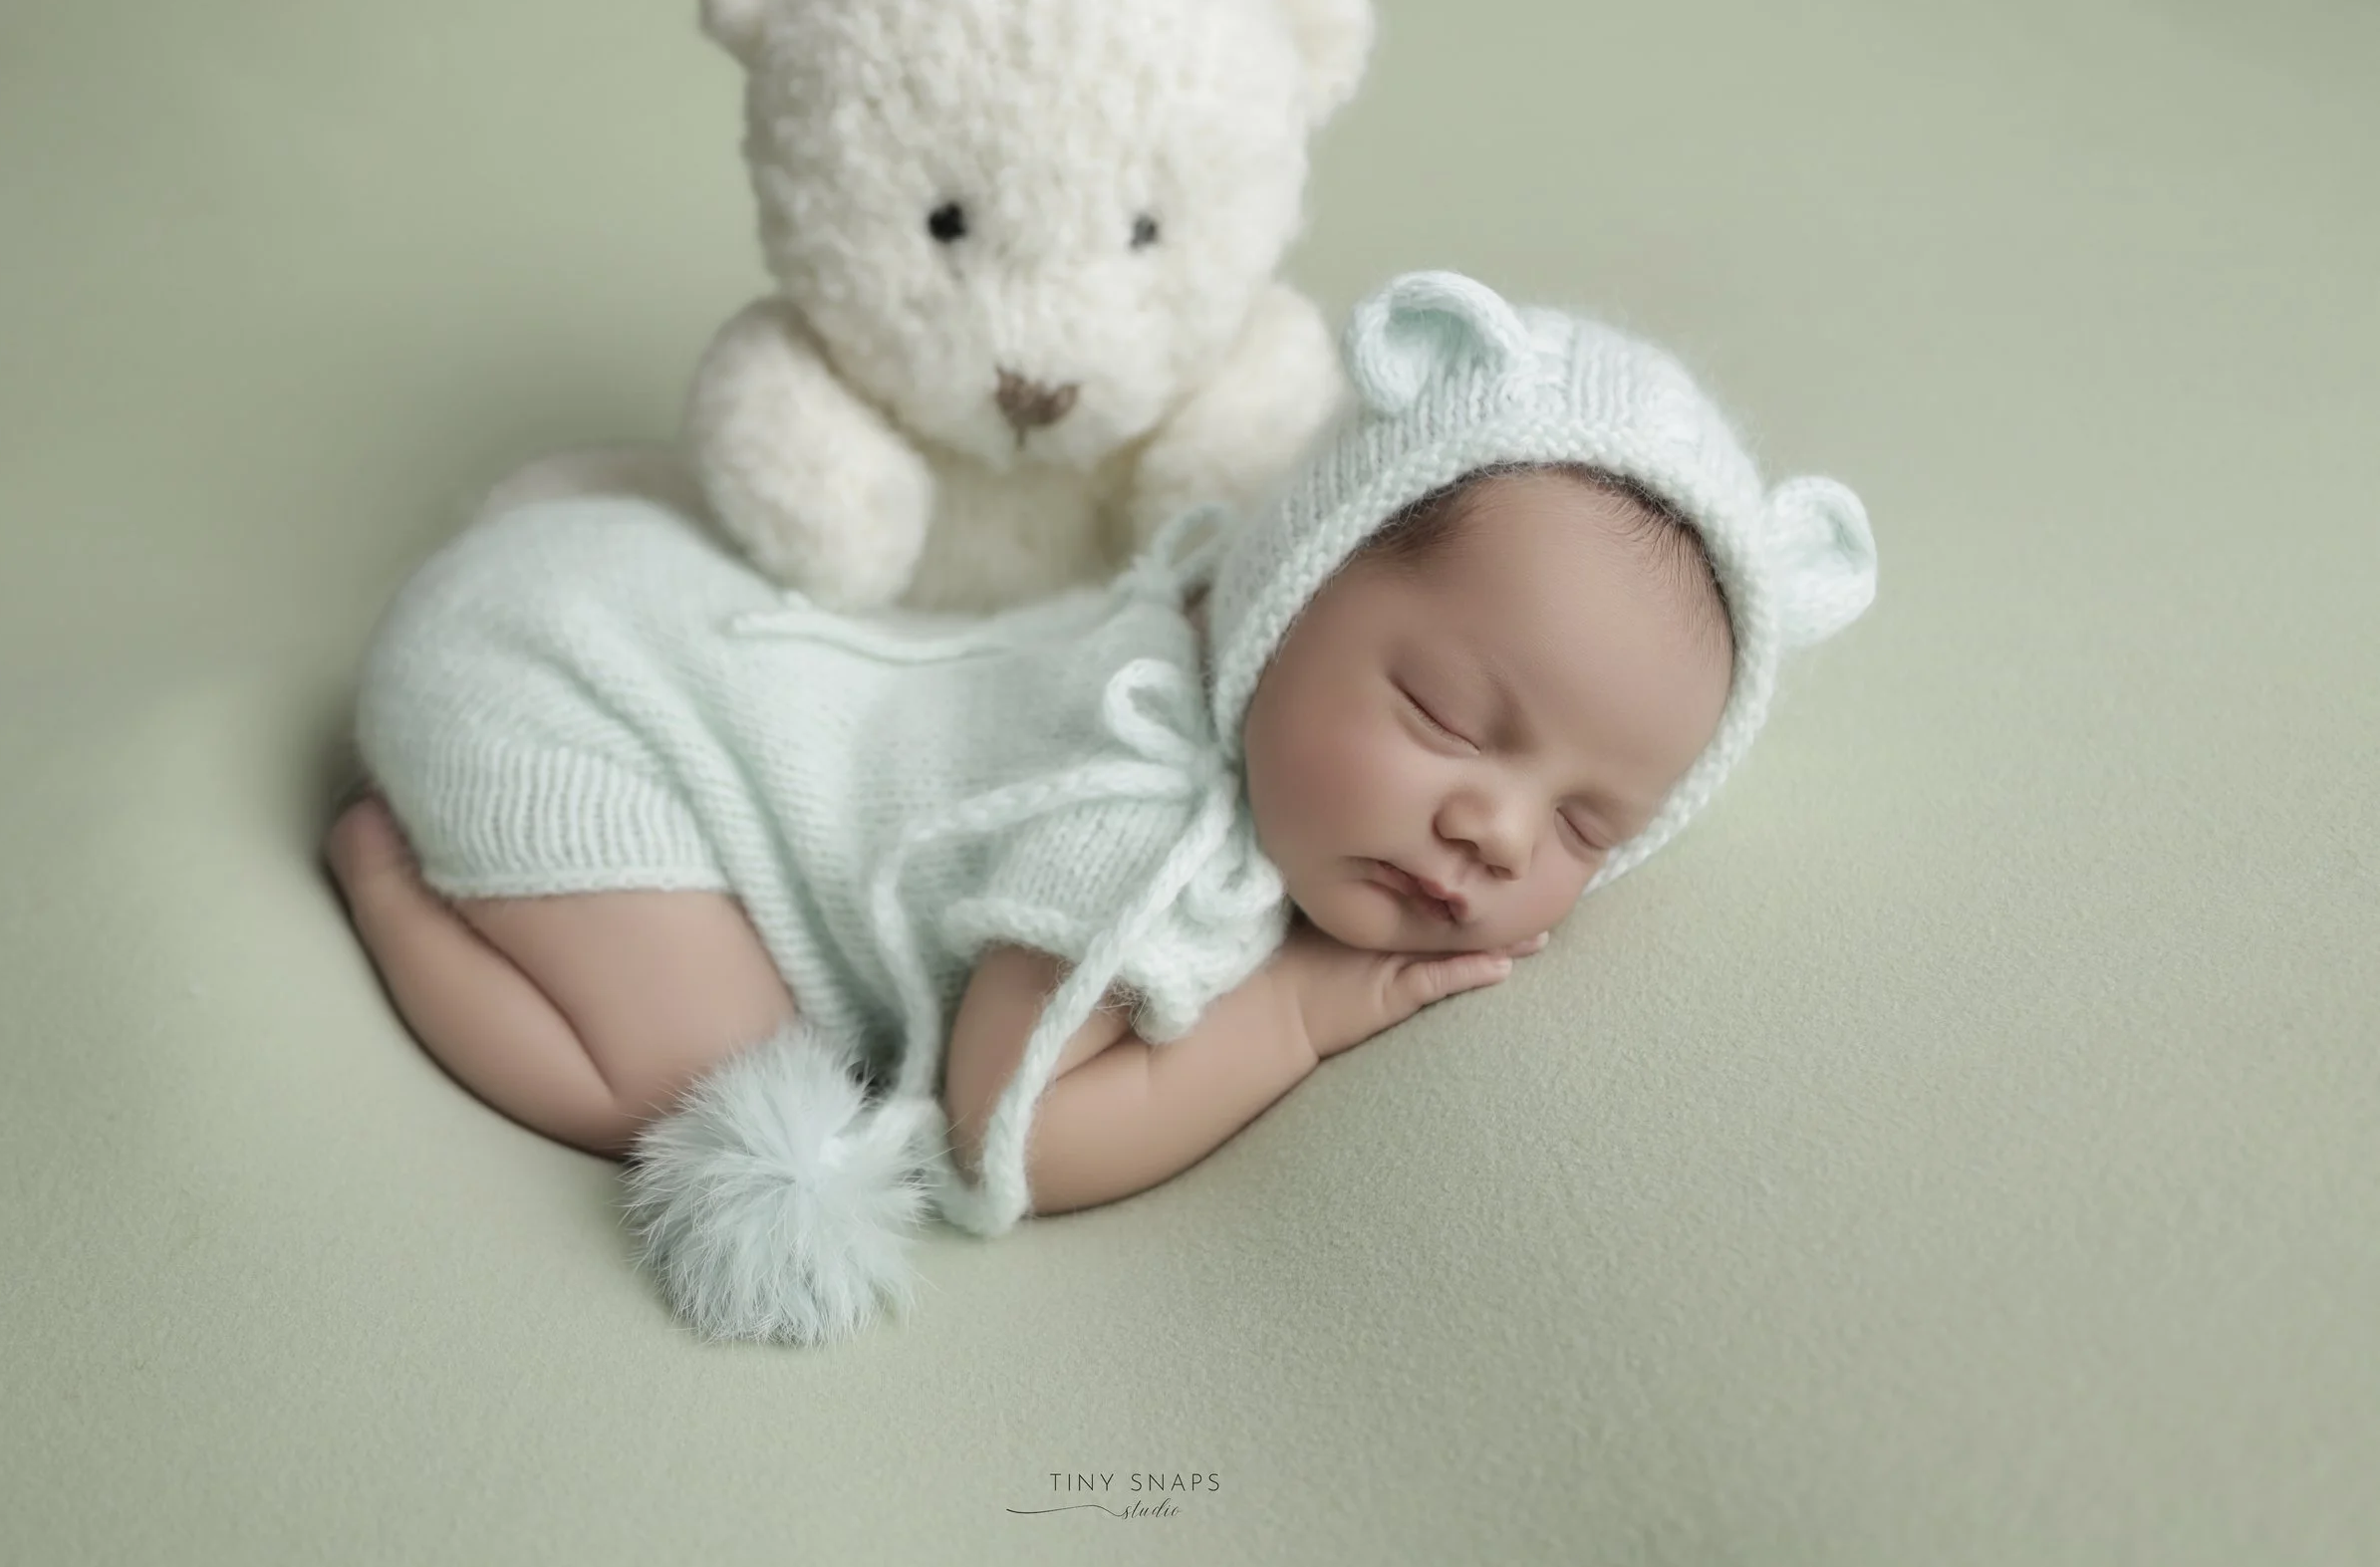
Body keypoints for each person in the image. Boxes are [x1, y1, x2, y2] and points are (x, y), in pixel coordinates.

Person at [323, 270, 1878, 1345]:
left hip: (631, 618)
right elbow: (1013, 1134)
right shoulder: (1141, 820)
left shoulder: (1231, 678)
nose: (1497, 830)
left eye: (1592, 828)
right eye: (1448, 720)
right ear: (1286, 589)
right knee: (706, 1077)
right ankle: (395, 888)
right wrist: (1297, 1018)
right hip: (567, 693)